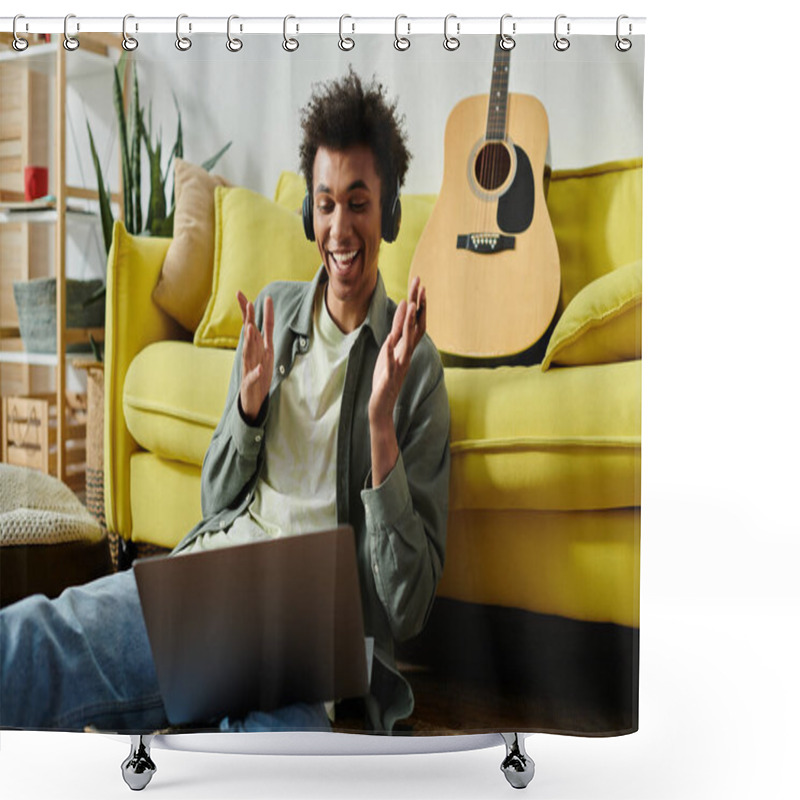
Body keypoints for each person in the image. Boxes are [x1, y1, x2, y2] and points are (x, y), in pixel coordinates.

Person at [0, 69, 450, 735]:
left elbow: (407, 607)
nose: (340, 225)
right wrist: (246, 408)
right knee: (35, 638)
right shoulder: (272, 314)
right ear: (309, 215)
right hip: (213, 584)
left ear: (390, 211)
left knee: (275, 766)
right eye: (325, 203)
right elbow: (217, 502)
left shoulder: (416, 369)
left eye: (358, 202)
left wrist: (380, 427)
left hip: (306, 633)